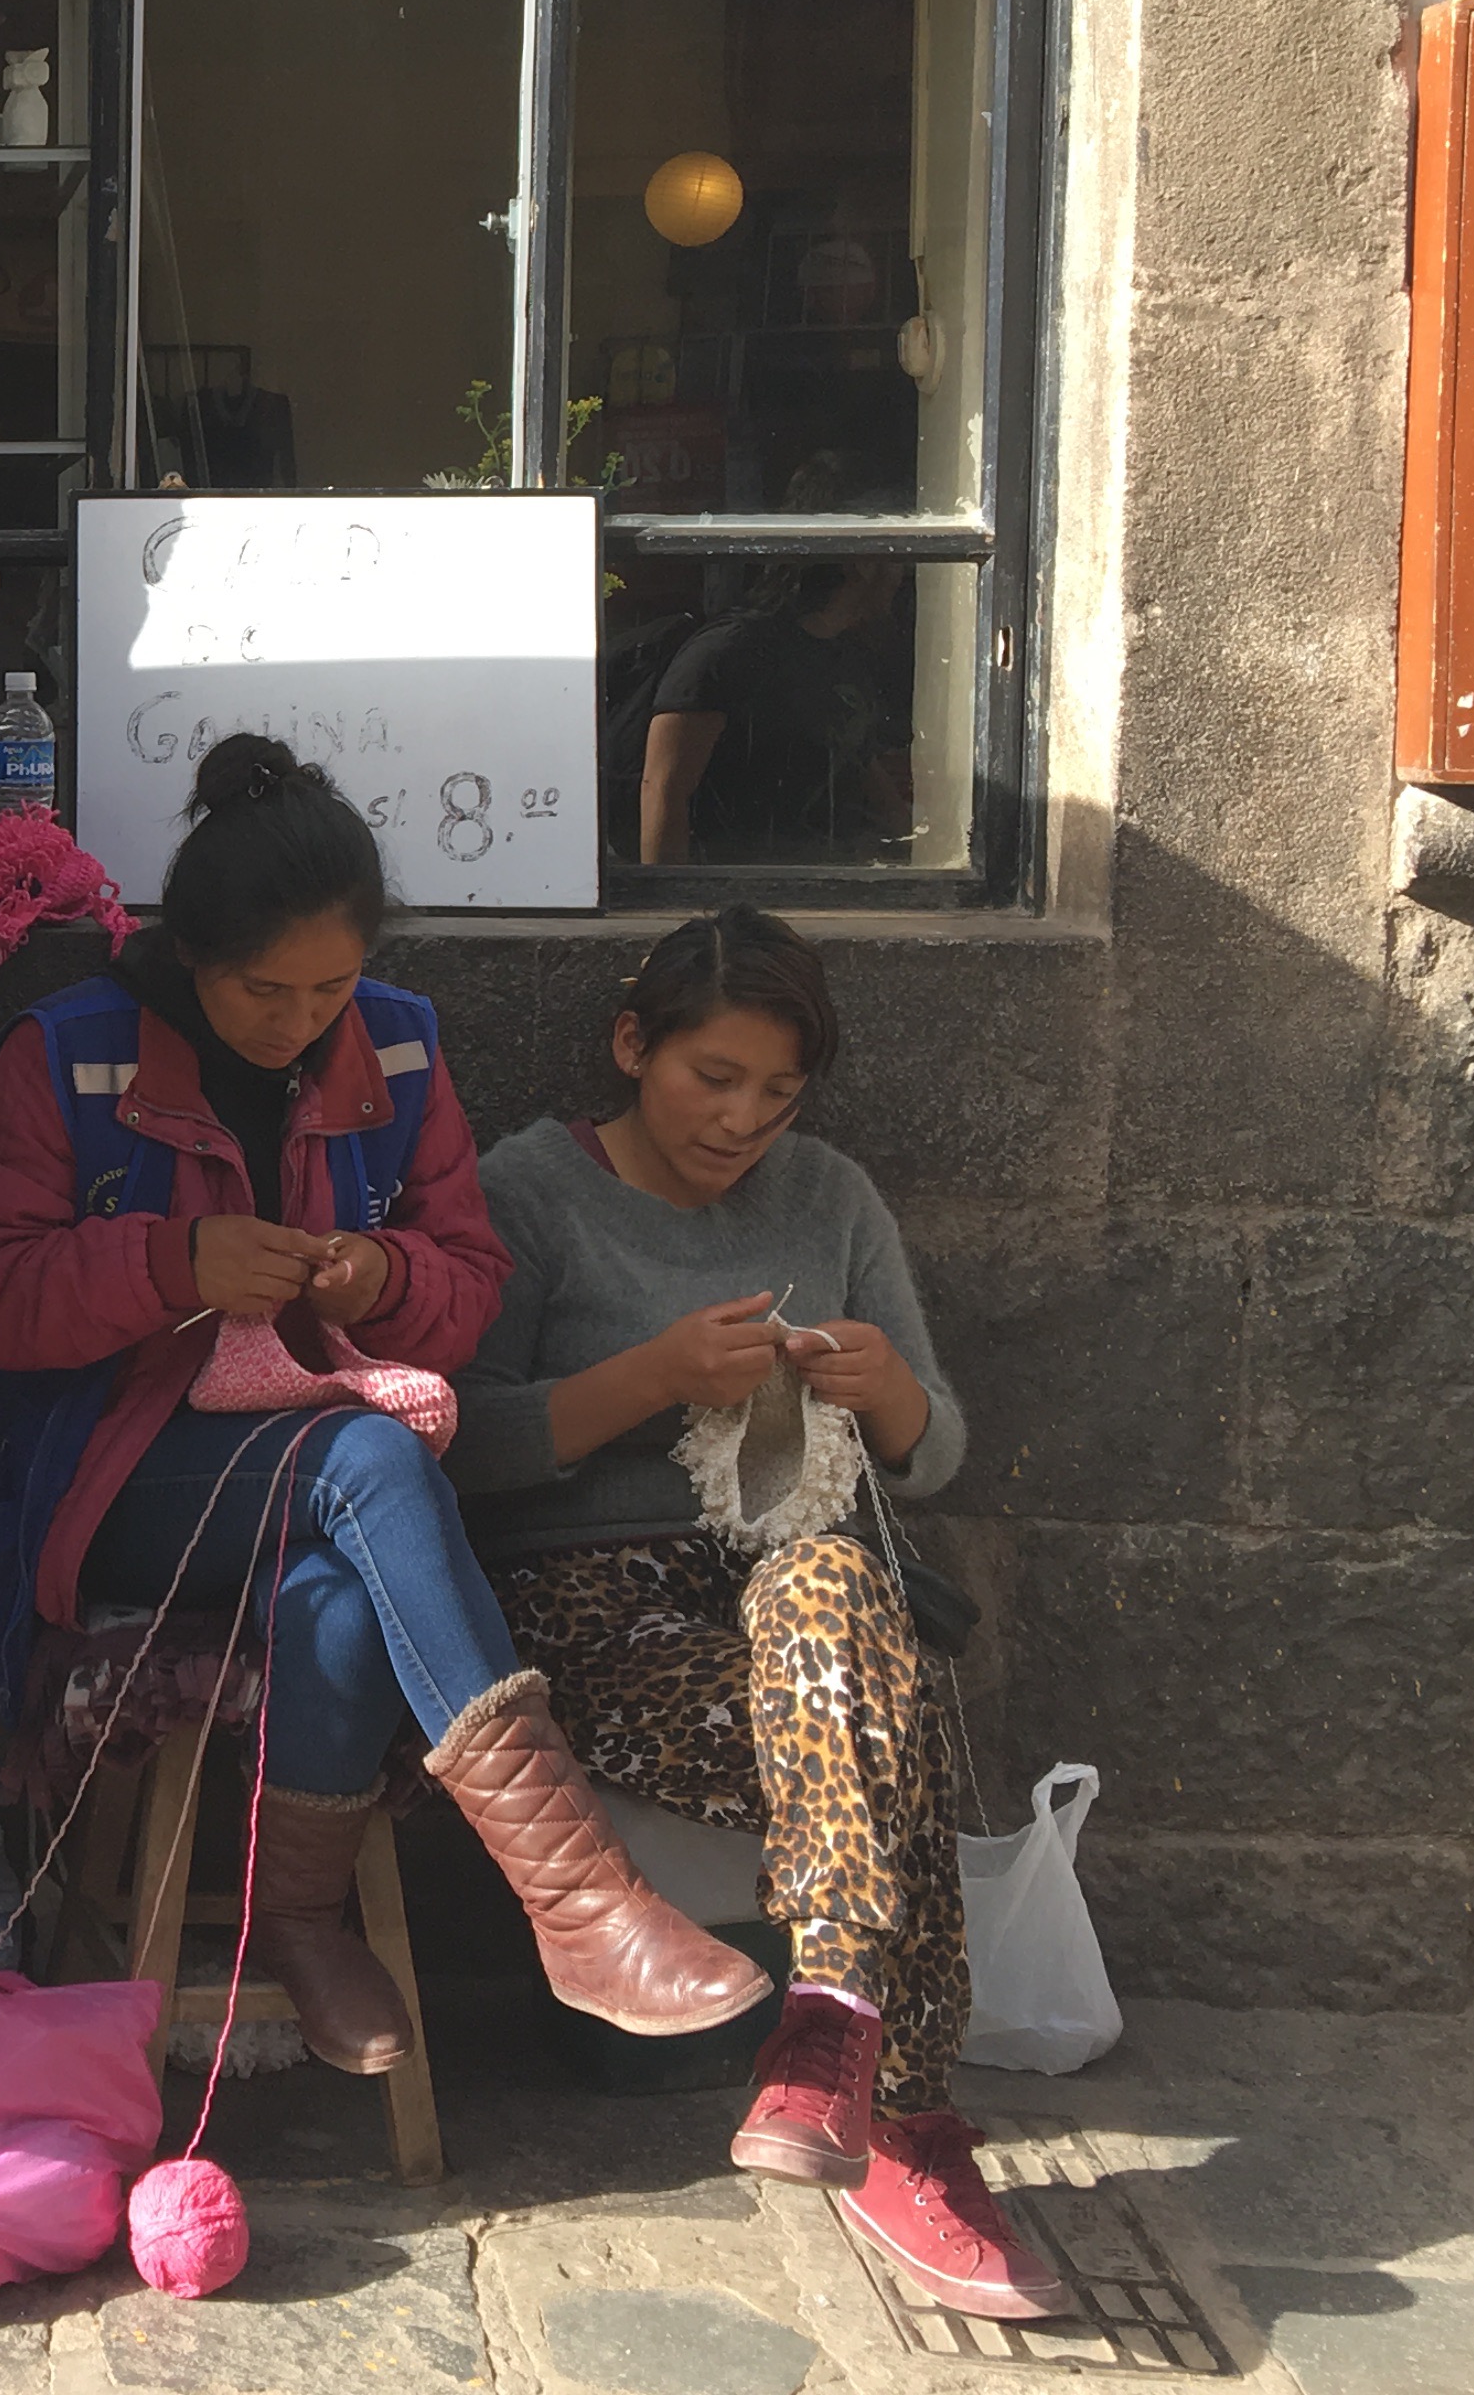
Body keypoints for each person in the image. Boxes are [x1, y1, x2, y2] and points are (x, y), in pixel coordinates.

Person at [0, 738, 769, 2076]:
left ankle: (299, 1920)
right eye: (263, 990)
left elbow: (469, 1284)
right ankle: (579, 1901)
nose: (297, 1022)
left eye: (330, 988)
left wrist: (386, 1279)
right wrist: (171, 1266)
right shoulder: (72, 1054)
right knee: (370, 1464)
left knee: (342, 1576)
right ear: (190, 956)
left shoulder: (396, 1045)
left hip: (326, 1472)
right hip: (111, 1479)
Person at [448, 908, 1070, 2324]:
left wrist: (885, 1389)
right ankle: (909, 2130)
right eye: (713, 1077)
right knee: (890, 1743)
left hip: (796, 1598)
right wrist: (655, 1376)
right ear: (633, 1045)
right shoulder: (531, 1189)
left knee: (835, 1586)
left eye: (778, 1092)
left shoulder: (831, 1198)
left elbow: (934, 1449)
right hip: (597, 1607)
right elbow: (459, 1439)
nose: (742, 1121)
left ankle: (827, 2017)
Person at [636, 556, 913, 863]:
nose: (902, 573)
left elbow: (857, 755)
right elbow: (664, 788)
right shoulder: (731, 650)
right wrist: (669, 889)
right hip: (741, 878)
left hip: (829, 874)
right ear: (860, 565)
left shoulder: (847, 654)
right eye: (894, 558)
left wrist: (912, 852)